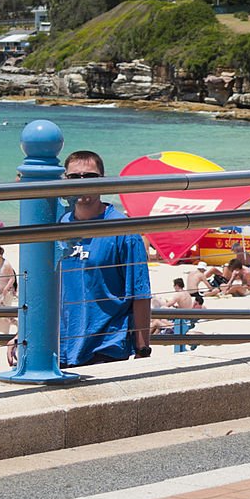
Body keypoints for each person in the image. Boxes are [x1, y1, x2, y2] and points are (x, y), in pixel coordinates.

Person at [48, 150, 151, 367]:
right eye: (75, 177)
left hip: (106, 349)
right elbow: (45, 289)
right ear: (65, 181)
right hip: (60, 347)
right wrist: (26, 334)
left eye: (90, 177)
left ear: (102, 181)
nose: (82, 183)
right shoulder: (58, 226)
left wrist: (143, 351)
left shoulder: (123, 230)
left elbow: (140, 293)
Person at [0, 247, 18, 334]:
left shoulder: (6, 264)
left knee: (5, 313)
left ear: (0, 256)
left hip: (7, 292)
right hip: (2, 292)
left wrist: (6, 289)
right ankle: (13, 328)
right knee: (3, 313)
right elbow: (0, 278)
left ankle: (17, 326)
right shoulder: (0, 264)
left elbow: (12, 278)